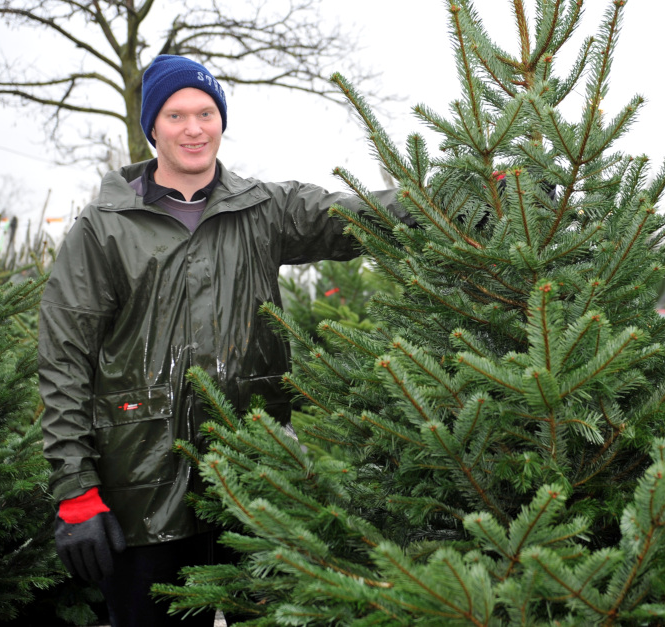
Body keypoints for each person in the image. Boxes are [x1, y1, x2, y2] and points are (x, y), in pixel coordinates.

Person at [39, 54, 402, 626]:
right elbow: (63, 363)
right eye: (176, 114)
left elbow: (358, 216)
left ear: (221, 121)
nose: (193, 128)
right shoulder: (102, 228)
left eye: (206, 112)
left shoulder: (263, 209)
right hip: (141, 491)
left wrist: (469, 196)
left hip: (251, 476)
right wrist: (76, 490)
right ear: (152, 127)